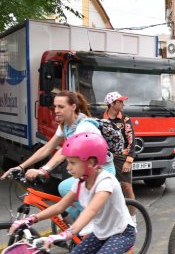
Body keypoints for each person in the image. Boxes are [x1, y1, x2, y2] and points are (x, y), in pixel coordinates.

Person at [9, 132, 144, 254]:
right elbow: (59, 207)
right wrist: (30, 220)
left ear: (90, 162)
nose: (67, 166)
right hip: (100, 234)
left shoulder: (106, 181)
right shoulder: (81, 182)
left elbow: (91, 210)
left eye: (72, 162)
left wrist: (68, 233)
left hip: (122, 233)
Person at [1, 91, 116, 225]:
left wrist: (44, 170)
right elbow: (47, 148)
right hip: (84, 169)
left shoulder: (84, 126)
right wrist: (21, 166)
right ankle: (77, 233)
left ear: (73, 107)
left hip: (101, 170)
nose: (56, 110)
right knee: (67, 211)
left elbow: (64, 152)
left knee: (64, 188)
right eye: (55, 106)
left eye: (61, 107)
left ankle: (96, 220)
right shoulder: (66, 124)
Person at [102, 92, 136, 201]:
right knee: (107, 188)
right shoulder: (101, 120)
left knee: (127, 187)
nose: (123, 104)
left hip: (122, 158)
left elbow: (132, 140)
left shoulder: (125, 119)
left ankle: (132, 217)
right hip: (105, 159)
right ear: (112, 104)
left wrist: (129, 160)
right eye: (120, 102)